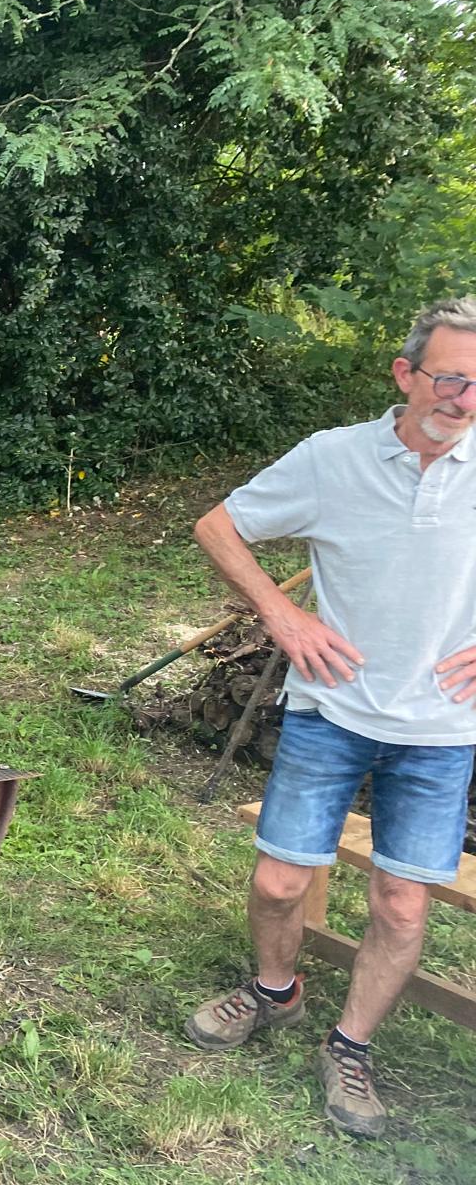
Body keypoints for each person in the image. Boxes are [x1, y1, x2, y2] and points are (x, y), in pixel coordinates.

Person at [185, 296, 476, 1139]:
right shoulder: (334, 458)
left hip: (444, 726)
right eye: (451, 380)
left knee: (401, 905)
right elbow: (219, 526)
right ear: (405, 375)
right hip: (333, 707)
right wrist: (283, 615)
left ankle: (351, 1046)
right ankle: (276, 989)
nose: (464, 401)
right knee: (280, 881)